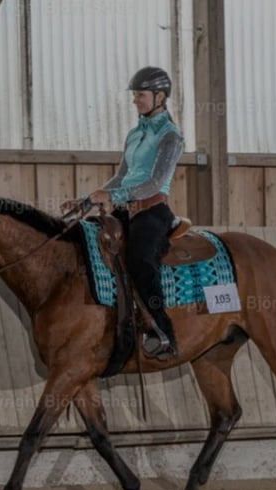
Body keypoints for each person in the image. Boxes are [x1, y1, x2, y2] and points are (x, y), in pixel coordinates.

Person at [63, 66, 184, 359]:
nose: (135, 101)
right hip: (124, 210)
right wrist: (87, 200)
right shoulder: (134, 134)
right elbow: (121, 176)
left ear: (160, 96)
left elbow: (154, 182)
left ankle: (163, 331)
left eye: (140, 95)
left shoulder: (171, 137)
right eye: (135, 95)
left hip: (152, 211)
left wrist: (113, 196)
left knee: (140, 258)